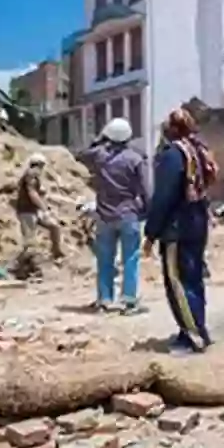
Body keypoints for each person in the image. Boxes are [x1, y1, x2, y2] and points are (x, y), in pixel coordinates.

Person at [144, 108, 218, 353]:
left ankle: (192, 336)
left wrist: (151, 233)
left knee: (178, 282)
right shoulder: (198, 149)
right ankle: (199, 327)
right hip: (197, 223)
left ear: (172, 129)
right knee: (194, 279)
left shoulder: (173, 154)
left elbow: (163, 197)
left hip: (177, 228)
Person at [77, 118, 149, 314]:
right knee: (130, 259)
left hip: (104, 216)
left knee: (105, 260)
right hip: (128, 214)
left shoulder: (99, 156)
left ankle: (105, 299)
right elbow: (145, 191)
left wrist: (99, 139)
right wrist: (146, 213)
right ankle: (129, 300)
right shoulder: (135, 159)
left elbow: (80, 155)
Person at [15, 153, 64, 259]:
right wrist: (44, 208)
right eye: (41, 166)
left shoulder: (34, 177)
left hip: (35, 211)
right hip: (27, 211)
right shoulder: (30, 175)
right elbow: (33, 194)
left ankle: (56, 253)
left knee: (54, 226)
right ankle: (22, 265)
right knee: (29, 241)